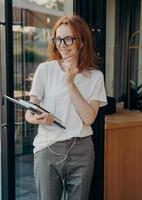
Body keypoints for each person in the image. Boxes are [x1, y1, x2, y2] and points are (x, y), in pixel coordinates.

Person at [25, 15, 107, 200]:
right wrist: (36, 117)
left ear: (82, 42)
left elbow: (88, 119)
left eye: (68, 38)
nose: (62, 44)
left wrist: (70, 84)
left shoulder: (95, 77)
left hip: (82, 150)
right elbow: (30, 111)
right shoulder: (45, 69)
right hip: (48, 147)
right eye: (58, 39)